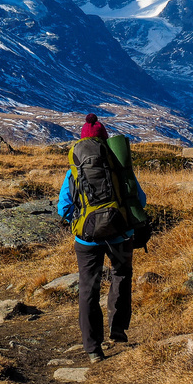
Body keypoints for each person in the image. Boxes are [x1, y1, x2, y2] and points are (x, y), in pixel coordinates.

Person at [57, 123, 146, 364]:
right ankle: (118, 330)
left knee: (88, 288)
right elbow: (141, 200)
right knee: (121, 276)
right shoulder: (118, 164)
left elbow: (62, 208)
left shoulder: (74, 170)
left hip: (86, 238)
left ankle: (93, 348)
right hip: (120, 233)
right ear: (105, 141)